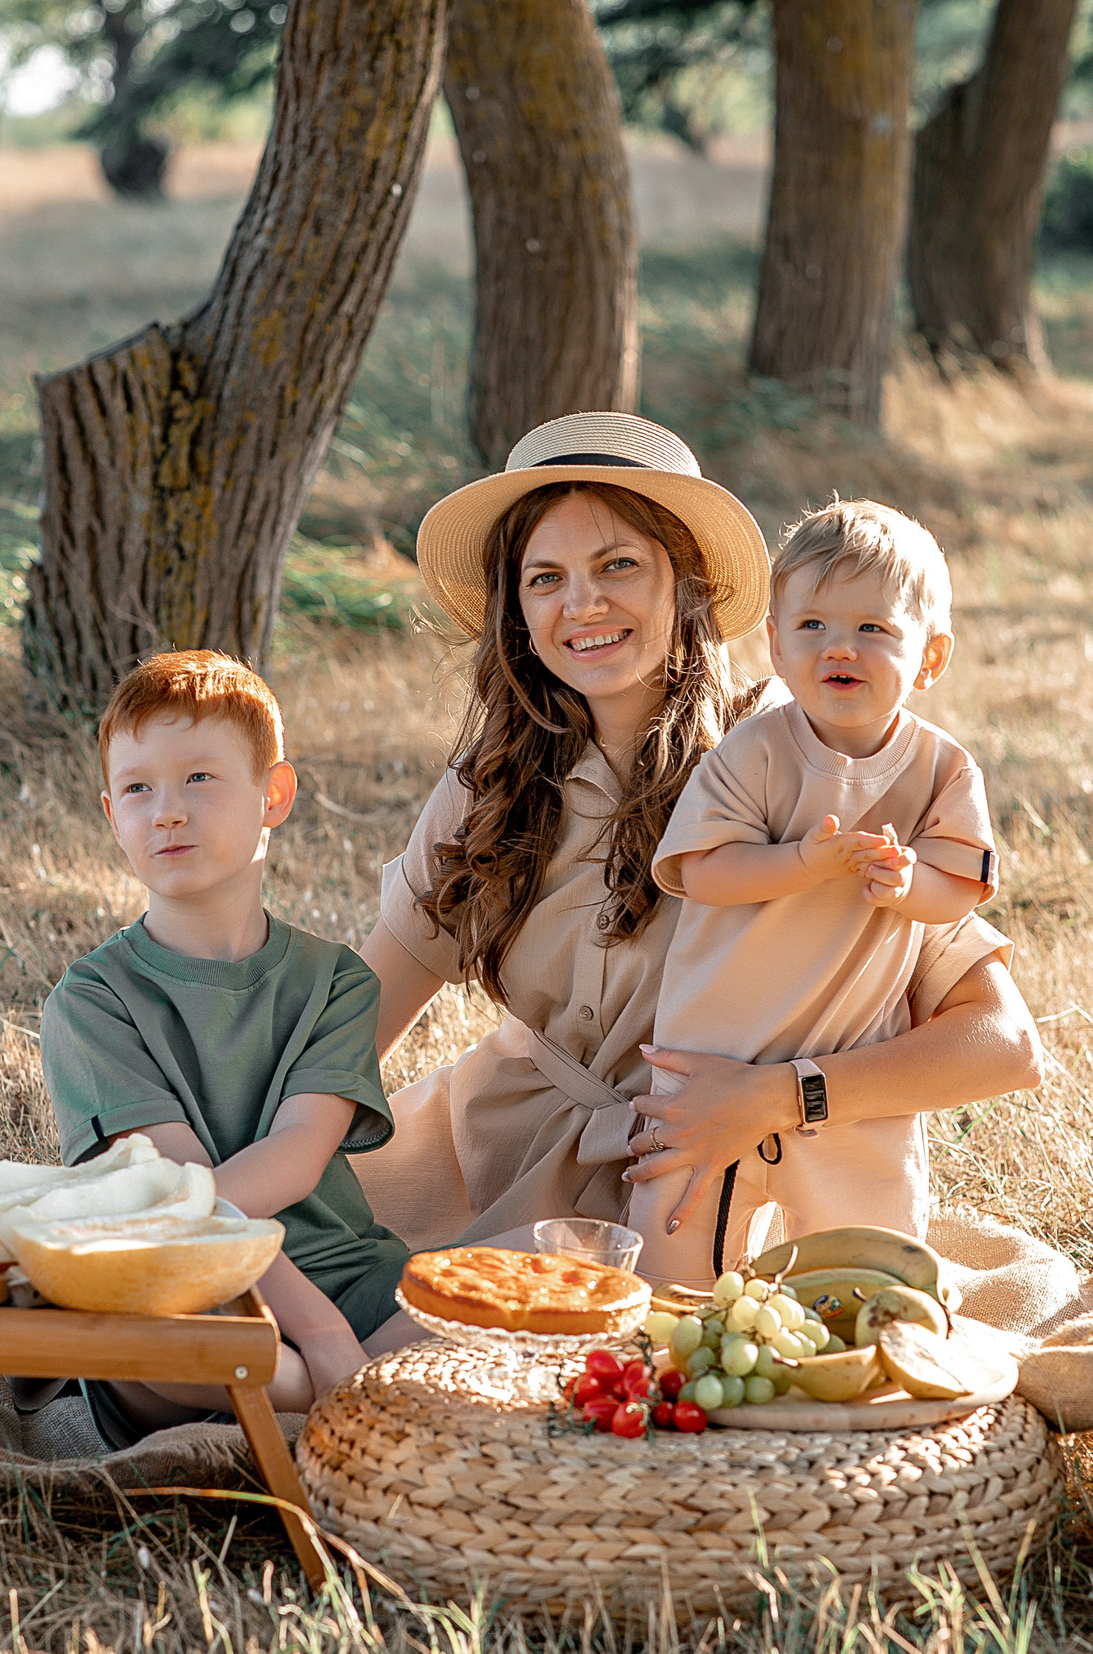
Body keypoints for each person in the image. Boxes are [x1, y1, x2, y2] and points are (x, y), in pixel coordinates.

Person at [349, 413, 1044, 1273]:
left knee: (416, 1352)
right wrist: (213, 1153)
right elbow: (353, 1026)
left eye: (619, 565)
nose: (582, 603)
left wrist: (780, 1096)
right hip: (480, 1151)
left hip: (687, 1188)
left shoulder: (800, 768)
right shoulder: (488, 785)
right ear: (516, 609)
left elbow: (1003, 1041)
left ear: (689, 582)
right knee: (237, 1309)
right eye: (545, 577)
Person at [40, 650, 420, 1449]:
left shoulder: (336, 982)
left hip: (346, 1275)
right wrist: (317, 1333)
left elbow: (293, 1161)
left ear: (273, 794)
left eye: (199, 779)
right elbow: (179, 1202)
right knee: (154, 1339)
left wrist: (327, 1315)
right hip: (185, 1287)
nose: (166, 812)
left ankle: (298, 1393)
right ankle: (350, 1390)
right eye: (138, 788)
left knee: (536, 1268)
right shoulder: (92, 1001)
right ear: (113, 815)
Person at [633, 500, 994, 1281]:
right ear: (775, 644)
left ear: (930, 658)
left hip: (852, 1075)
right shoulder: (754, 751)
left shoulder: (942, 768)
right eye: (814, 626)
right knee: (674, 1280)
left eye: (874, 629)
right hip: (711, 1065)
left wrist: (909, 883)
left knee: (867, 1281)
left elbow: (958, 890)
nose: (841, 647)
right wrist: (804, 862)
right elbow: (703, 870)